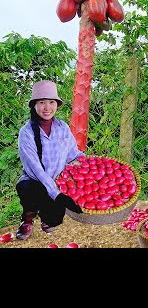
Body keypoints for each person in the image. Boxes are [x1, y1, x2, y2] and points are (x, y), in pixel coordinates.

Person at [15, 80, 84, 240]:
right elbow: (36, 169)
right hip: (35, 183)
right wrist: (57, 195)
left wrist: (90, 167)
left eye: (51, 102)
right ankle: (28, 217)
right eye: (42, 102)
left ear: (57, 104)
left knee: (53, 221)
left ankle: (47, 215)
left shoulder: (63, 128)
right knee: (29, 190)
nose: (47, 107)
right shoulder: (26, 133)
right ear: (34, 105)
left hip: (59, 182)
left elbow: (74, 155)